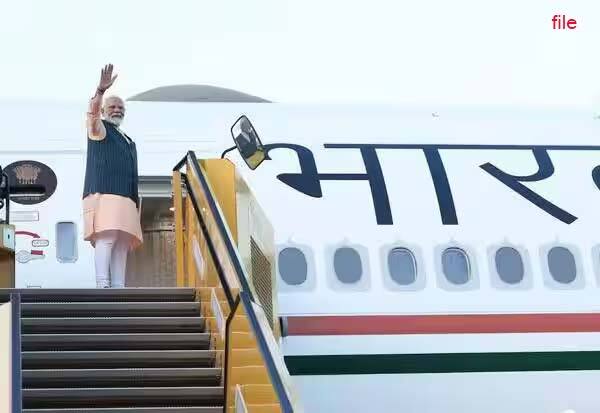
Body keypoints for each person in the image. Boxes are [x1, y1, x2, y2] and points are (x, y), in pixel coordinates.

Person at [82, 64, 143, 288]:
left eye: (120, 107)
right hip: (105, 193)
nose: (117, 110)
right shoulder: (100, 129)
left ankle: (119, 287)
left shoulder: (127, 139)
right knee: (107, 238)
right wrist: (100, 91)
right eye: (113, 106)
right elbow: (92, 115)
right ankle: (103, 284)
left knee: (122, 243)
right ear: (104, 110)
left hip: (127, 198)